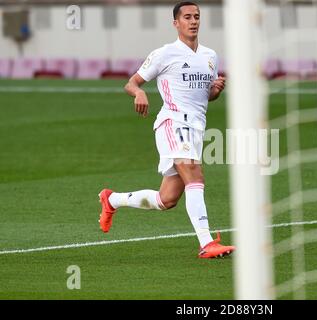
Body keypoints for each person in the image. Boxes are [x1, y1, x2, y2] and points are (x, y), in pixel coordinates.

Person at [98, 1, 235, 259]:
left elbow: (204, 98)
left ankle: (112, 199)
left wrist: (214, 91)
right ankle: (206, 243)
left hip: (195, 129)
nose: (193, 21)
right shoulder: (164, 54)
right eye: (187, 17)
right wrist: (139, 92)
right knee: (195, 176)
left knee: (167, 199)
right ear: (176, 23)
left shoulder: (210, 57)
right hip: (172, 123)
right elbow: (132, 83)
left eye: (196, 16)